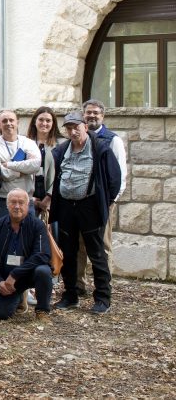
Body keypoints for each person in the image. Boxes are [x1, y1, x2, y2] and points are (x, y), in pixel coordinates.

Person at [51, 112, 120, 315]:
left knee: (96, 254)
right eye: (69, 128)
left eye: (76, 127)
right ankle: (70, 295)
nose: (73, 131)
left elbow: (114, 180)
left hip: (89, 207)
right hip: (66, 207)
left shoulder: (101, 148)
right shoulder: (62, 150)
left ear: (85, 127)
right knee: (68, 253)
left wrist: (102, 203)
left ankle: (102, 298)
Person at [0, 189, 53, 321]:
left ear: (28, 205)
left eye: (21, 203)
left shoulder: (37, 226)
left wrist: (15, 274)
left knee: (43, 271)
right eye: (13, 202)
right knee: (1, 314)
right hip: (4, 279)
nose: (17, 206)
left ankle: (42, 310)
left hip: (28, 274)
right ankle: (19, 296)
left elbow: (42, 255)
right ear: (7, 204)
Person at [80, 100, 126, 283]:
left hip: (103, 201)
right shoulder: (77, 139)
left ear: (102, 116)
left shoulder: (112, 140)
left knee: (103, 244)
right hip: (80, 201)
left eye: (96, 113)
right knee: (79, 245)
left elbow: (120, 174)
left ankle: (104, 285)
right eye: (88, 112)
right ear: (83, 116)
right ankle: (78, 284)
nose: (92, 116)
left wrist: (111, 200)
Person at [0, 110, 41, 218]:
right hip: (3, 201)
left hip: (26, 199)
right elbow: (0, 173)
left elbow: (35, 165)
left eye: (11, 120)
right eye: (4, 121)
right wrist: (22, 171)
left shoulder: (28, 143)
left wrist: (9, 165)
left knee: (27, 234)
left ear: (17, 122)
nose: (8, 123)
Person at [27, 106, 61, 220]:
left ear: (53, 123)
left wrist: (49, 197)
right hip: (30, 195)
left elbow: (62, 174)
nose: (44, 123)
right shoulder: (24, 143)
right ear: (34, 121)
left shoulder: (61, 145)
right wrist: (30, 198)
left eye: (48, 120)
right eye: (41, 119)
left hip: (53, 197)